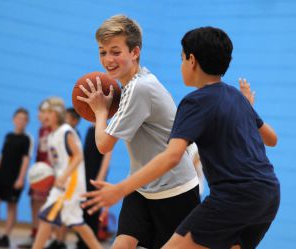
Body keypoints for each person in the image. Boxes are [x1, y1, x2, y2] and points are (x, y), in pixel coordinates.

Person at [82, 27, 280, 249]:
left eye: (182, 59)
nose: (181, 65)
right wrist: (247, 109)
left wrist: (120, 189)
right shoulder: (236, 96)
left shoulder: (194, 102)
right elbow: (272, 139)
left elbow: (172, 157)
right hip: (269, 195)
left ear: (192, 60)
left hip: (232, 197)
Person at [77, 15, 200, 249]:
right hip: (142, 187)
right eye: (102, 52)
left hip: (174, 189)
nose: (108, 59)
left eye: (115, 51)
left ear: (135, 52)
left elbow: (103, 145)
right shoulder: (136, 81)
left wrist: (100, 111)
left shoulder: (139, 88)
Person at [32, 97, 102, 249]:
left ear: (56, 113)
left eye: (45, 112)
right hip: (63, 185)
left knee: (46, 217)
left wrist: (63, 177)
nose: (41, 116)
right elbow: (59, 164)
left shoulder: (66, 131)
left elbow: (78, 156)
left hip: (71, 184)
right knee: (78, 224)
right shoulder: (51, 136)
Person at [0, 108, 32, 248]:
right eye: (18, 118)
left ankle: (6, 236)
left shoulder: (26, 139)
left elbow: (26, 159)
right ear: (13, 119)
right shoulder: (8, 136)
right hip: (1, 176)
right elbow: (2, 156)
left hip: (14, 178)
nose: (21, 121)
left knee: (11, 206)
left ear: (27, 122)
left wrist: (21, 178)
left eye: (24, 119)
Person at [18, 100, 53, 249]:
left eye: (43, 111)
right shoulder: (41, 130)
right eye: (40, 111)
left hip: (49, 172)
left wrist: (50, 171)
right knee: (34, 202)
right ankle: (34, 233)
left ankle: (47, 237)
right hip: (39, 170)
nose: (40, 115)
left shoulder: (55, 129)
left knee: (46, 205)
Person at [76, 125, 112, 249]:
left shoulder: (107, 129)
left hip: (97, 176)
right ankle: (81, 242)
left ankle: (90, 244)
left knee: (93, 211)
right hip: (85, 175)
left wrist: (100, 177)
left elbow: (107, 155)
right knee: (83, 209)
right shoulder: (90, 130)